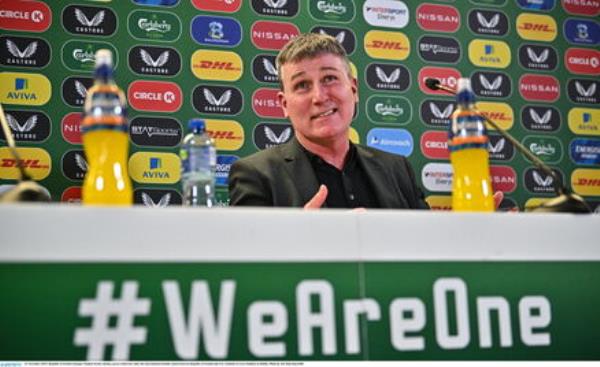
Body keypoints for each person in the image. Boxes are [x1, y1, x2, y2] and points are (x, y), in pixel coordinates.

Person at [228, 33, 430, 209]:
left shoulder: (397, 169)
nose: (319, 96)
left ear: (353, 89)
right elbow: (250, 251)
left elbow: (427, 246)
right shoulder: (255, 175)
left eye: (329, 79)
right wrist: (301, 235)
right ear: (284, 104)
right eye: (302, 85)